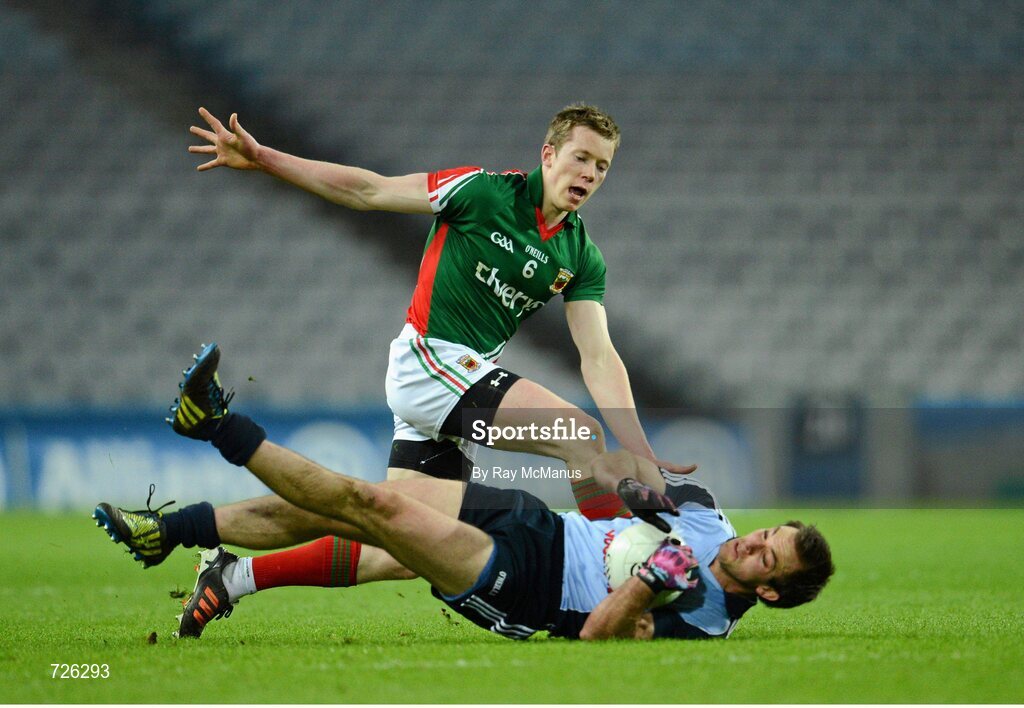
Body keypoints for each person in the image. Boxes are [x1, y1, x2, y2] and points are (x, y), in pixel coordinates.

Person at [95, 347, 834, 641]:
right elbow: (611, 503)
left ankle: (217, 427)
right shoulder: (708, 513)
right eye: (770, 532)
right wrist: (627, 495)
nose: (753, 543)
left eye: (768, 559)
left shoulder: (703, 622)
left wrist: (646, 587)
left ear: (767, 594)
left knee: (376, 515)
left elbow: (600, 636)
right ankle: (193, 540)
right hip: (533, 519)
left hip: (523, 585)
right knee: (376, 515)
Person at [187, 103, 691, 520]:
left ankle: (226, 565)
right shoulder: (482, 191)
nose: (590, 174)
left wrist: (642, 451)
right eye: (581, 158)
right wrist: (262, 157)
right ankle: (602, 572)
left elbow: (598, 356)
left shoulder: (581, 256)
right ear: (549, 154)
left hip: (459, 383)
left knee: (401, 538)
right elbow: (369, 190)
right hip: (430, 361)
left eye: (602, 167)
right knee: (580, 435)